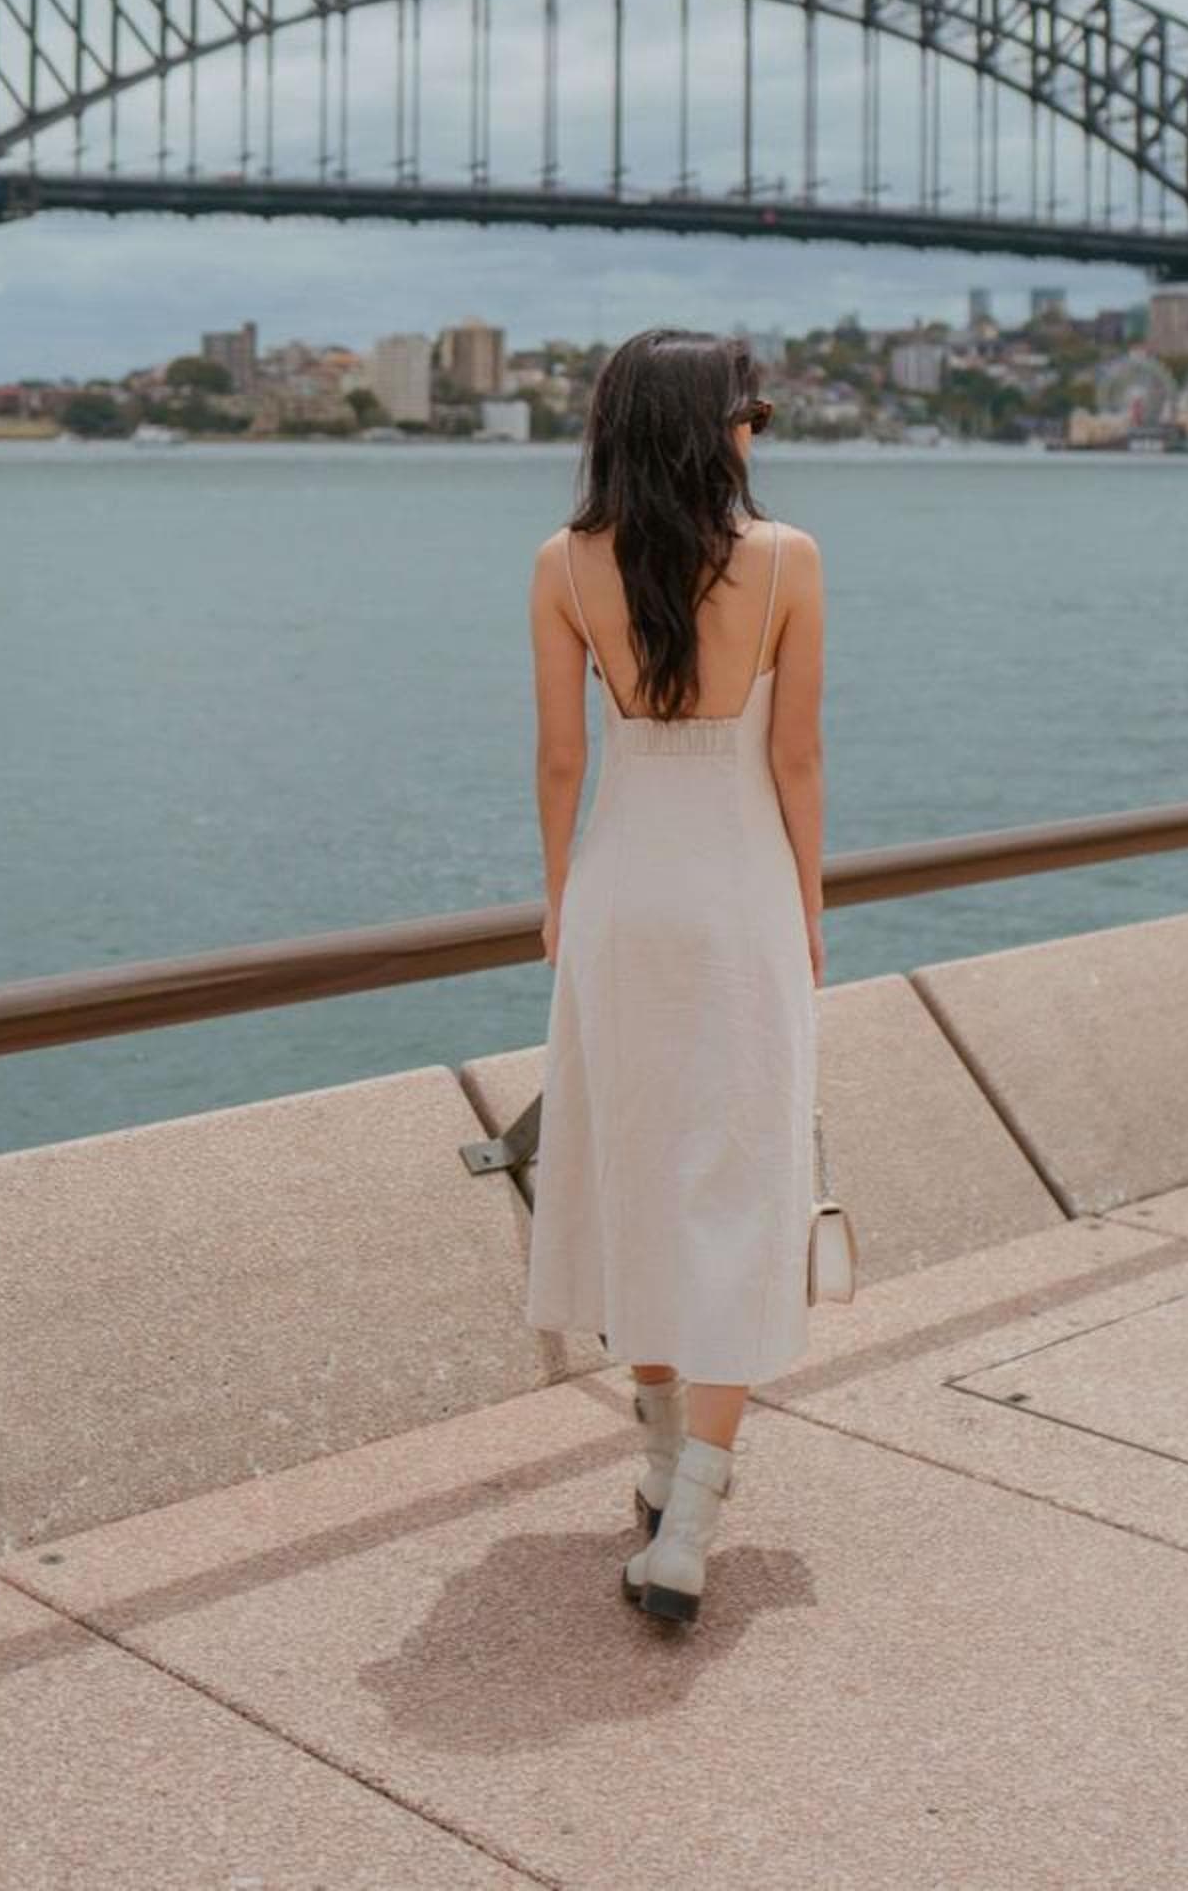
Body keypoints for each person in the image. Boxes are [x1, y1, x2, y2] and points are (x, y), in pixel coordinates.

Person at [523, 326, 826, 1628]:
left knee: (633, 1165)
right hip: (738, 893)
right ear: (720, 427)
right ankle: (690, 1518)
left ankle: (652, 1461)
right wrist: (808, 915)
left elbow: (556, 761)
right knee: (738, 1181)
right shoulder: (785, 563)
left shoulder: (562, 564)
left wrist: (557, 901)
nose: (761, 426)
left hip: (618, 894)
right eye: (753, 407)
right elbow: (798, 761)